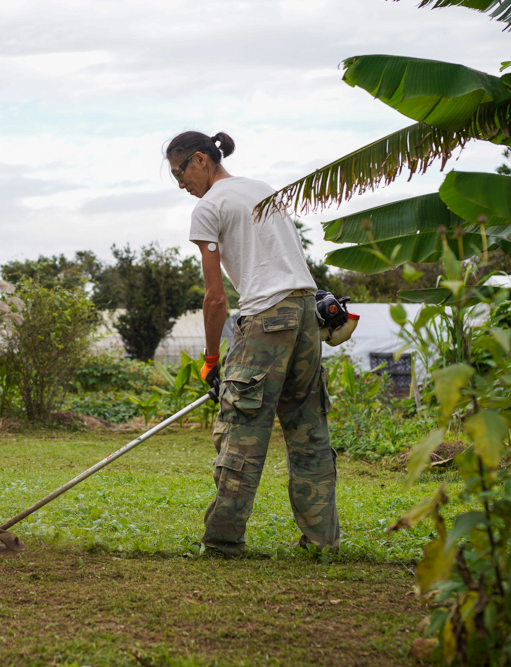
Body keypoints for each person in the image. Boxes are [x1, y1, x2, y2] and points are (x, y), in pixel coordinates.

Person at [166, 130, 340, 556]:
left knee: (241, 431)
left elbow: (215, 297)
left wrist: (211, 359)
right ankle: (322, 542)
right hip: (306, 311)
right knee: (308, 432)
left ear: (201, 160)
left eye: (179, 172)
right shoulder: (262, 190)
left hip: (266, 316)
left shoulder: (208, 208)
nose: (180, 184)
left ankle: (224, 542)